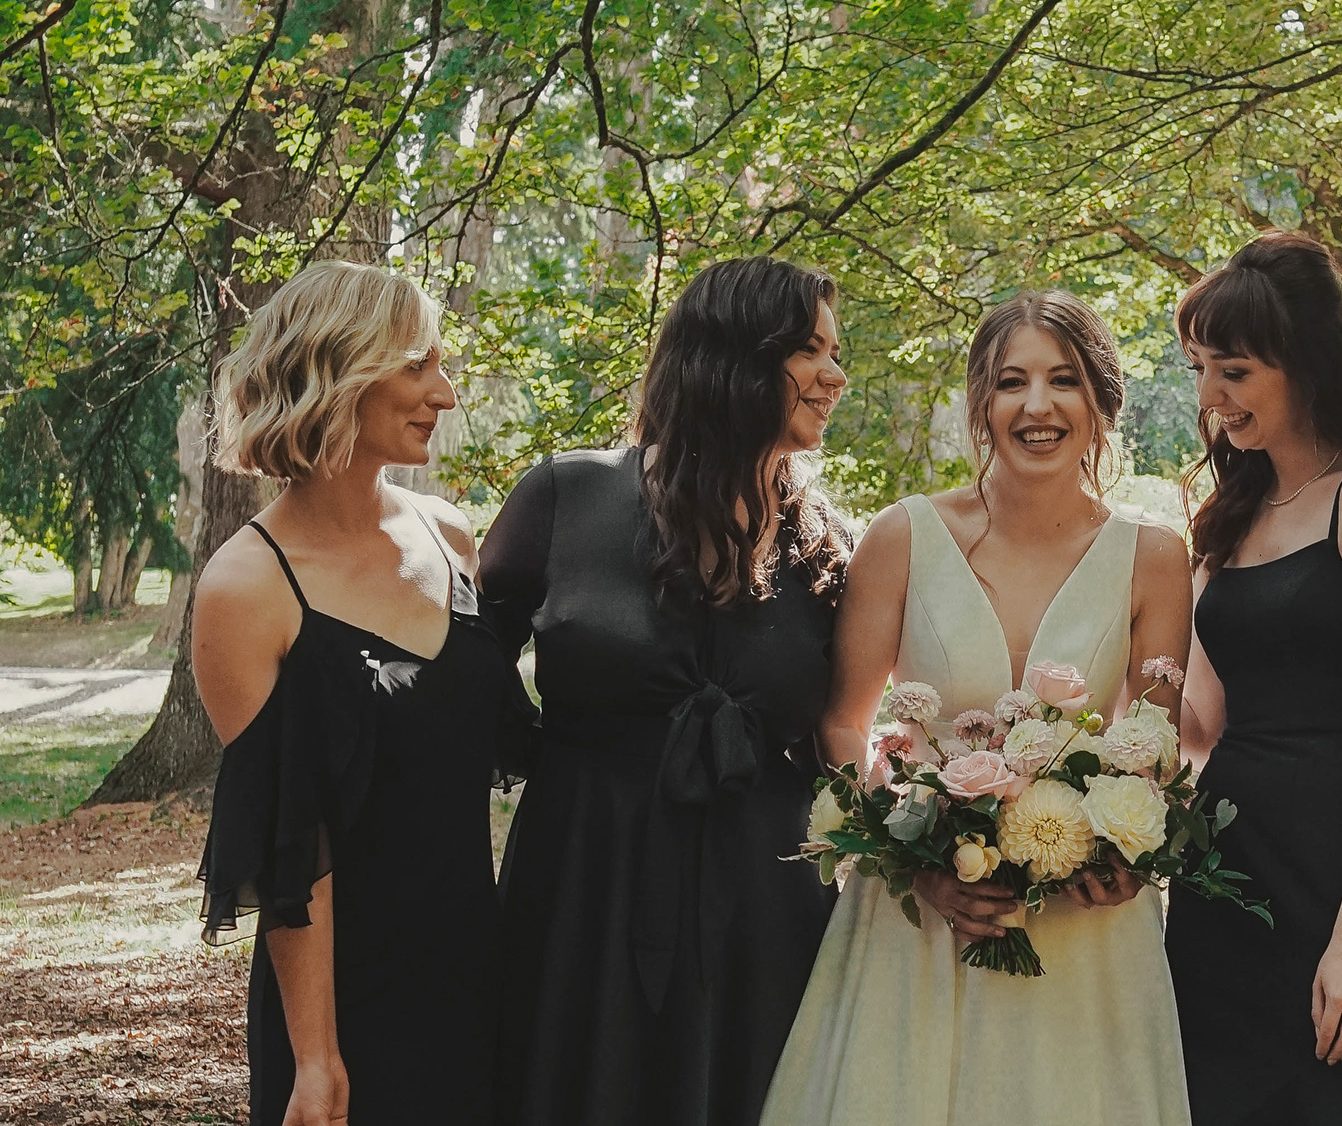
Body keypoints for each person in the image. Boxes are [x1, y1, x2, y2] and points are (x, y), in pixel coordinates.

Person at [761, 289, 1194, 1126]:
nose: (1037, 407)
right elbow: (845, 720)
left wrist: (1122, 855)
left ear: (1101, 399)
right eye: (1010, 382)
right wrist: (914, 858)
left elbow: (1152, 743)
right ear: (980, 402)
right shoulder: (903, 536)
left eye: (1063, 380)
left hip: (1082, 935)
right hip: (922, 919)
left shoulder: (1153, 556)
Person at [480, 256, 851, 1126]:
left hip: (765, 897)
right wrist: (562, 762)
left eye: (836, 353)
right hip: (586, 881)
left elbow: (853, 725)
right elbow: (468, 665)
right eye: (810, 350)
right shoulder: (565, 496)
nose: (835, 375)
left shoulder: (828, 545)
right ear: (732, 357)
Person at [195, 260, 539, 1126]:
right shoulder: (245, 588)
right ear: (337, 371)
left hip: (478, 971)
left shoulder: (450, 534)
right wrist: (317, 1059)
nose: (445, 394)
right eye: (419, 366)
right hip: (342, 1009)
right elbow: (290, 850)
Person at [1166, 231, 1342, 1125]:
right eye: (1201, 370)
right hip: (1223, 863)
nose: (1210, 398)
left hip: (1335, 863)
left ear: (1307, 360)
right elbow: (1200, 720)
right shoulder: (1230, 511)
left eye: (1235, 372)